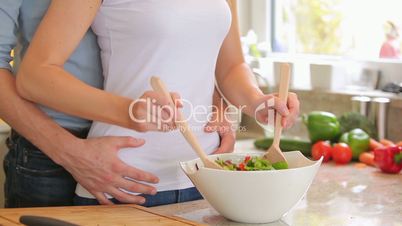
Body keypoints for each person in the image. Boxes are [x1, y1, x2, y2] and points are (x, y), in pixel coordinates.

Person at [16, 0, 300, 205]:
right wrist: (128, 111)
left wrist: (257, 102)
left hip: (207, 177)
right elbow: (35, 75)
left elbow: (231, 66)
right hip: (124, 180)